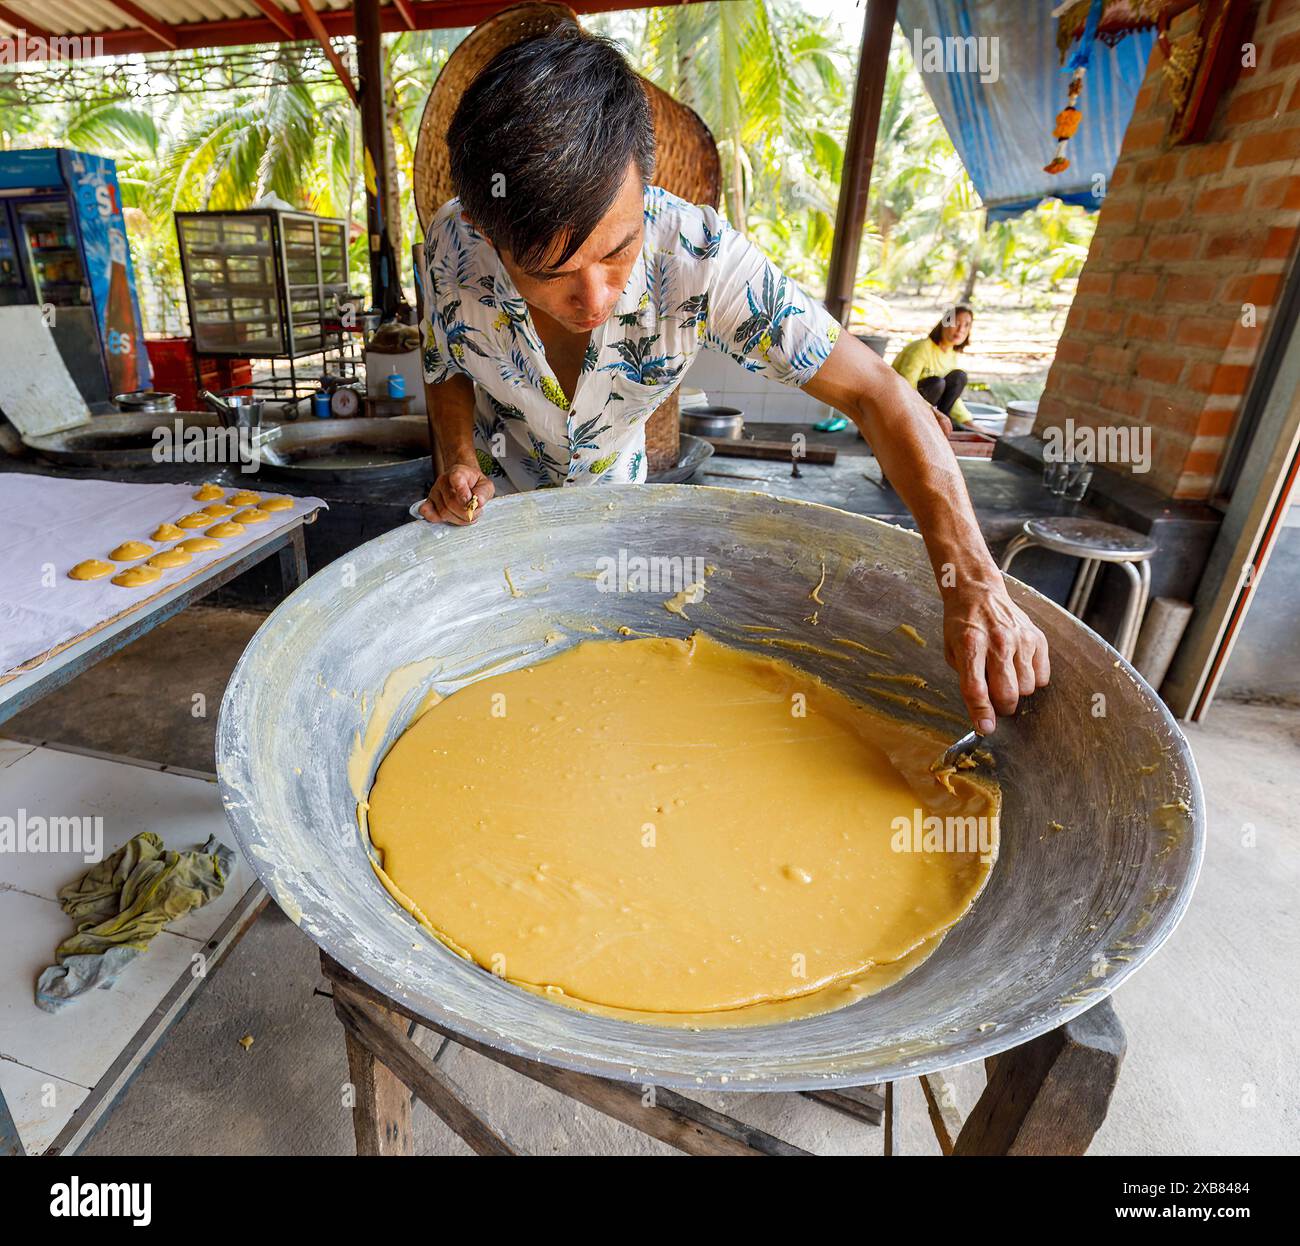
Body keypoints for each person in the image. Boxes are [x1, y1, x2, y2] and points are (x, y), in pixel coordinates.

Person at [416, 26, 1046, 734]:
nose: (595, 299)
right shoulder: (451, 246)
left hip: (616, 512)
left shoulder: (699, 257)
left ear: (643, 184)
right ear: (483, 227)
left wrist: (975, 580)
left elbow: (878, 393)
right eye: (550, 273)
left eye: (617, 253)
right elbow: (443, 363)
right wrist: (460, 459)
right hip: (499, 514)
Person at [890, 306, 975, 433]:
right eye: (956, 323)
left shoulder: (951, 355)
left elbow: (951, 397)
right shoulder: (922, 348)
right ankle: (929, 425)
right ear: (945, 323)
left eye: (966, 325)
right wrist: (935, 412)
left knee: (959, 377)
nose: (961, 329)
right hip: (901, 406)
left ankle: (939, 428)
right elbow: (906, 387)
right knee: (937, 383)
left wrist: (968, 421)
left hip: (928, 411)